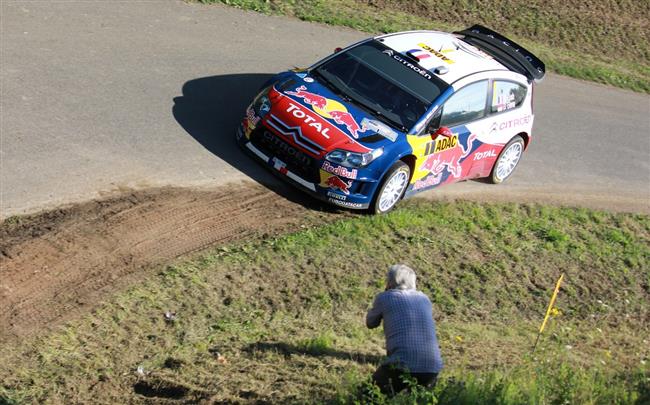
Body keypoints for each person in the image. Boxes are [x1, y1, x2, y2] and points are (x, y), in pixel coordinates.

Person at [365, 264, 443, 395]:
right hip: (432, 368)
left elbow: (370, 323)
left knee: (368, 396)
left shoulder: (385, 297)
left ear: (390, 281)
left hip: (401, 365)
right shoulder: (424, 299)